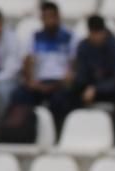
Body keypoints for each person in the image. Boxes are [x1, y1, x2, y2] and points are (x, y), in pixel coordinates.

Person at [11, 1, 75, 129]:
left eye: (52, 16)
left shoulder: (70, 37)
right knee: (19, 95)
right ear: (42, 18)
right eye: (46, 17)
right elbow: (27, 61)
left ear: (58, 17)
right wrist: (31, 82)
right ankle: (25, 131)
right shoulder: (34, 37)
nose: (49, 20)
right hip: (39, 83)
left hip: (59, 83)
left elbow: (74, 65)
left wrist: (63, 81)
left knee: (61, 99)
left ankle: (56, 132)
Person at [73, 15, 115, 129]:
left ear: (104, 32)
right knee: (69, 93)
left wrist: (97, 88)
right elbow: (81, 75)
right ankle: (77, 128)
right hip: (89, 88)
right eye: (93, 33)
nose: (95, 37)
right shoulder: (84, 46)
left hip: (111, 90)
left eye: (98, 33)